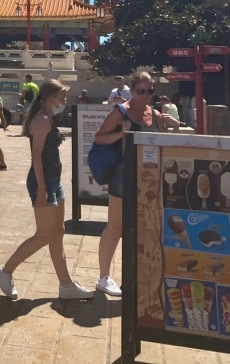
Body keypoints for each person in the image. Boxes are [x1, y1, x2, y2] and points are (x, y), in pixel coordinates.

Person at [0, 79, 95, 301]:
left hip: (53, 181)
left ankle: (66, 285)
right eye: (62, 98)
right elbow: (36, 156)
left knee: (58, 233)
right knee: (44, 235)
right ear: (50, 99)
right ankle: (6, 270)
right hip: (44, 182)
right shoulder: (43, 121)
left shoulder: (48, 118)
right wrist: (41, 188)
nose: (64, 102)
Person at [93, 71, 179, 297]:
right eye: (141, 91)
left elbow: (163, 145)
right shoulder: (120, 112)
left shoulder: (157, 115)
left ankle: (145, 274)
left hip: (151, 178)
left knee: (149, 228)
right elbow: (99, 137)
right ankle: (103, 277)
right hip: (124, 175)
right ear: (131, 90)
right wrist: (121, 135)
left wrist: (173, 127)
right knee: (116, 227)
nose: (146, 96)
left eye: (150, 91)